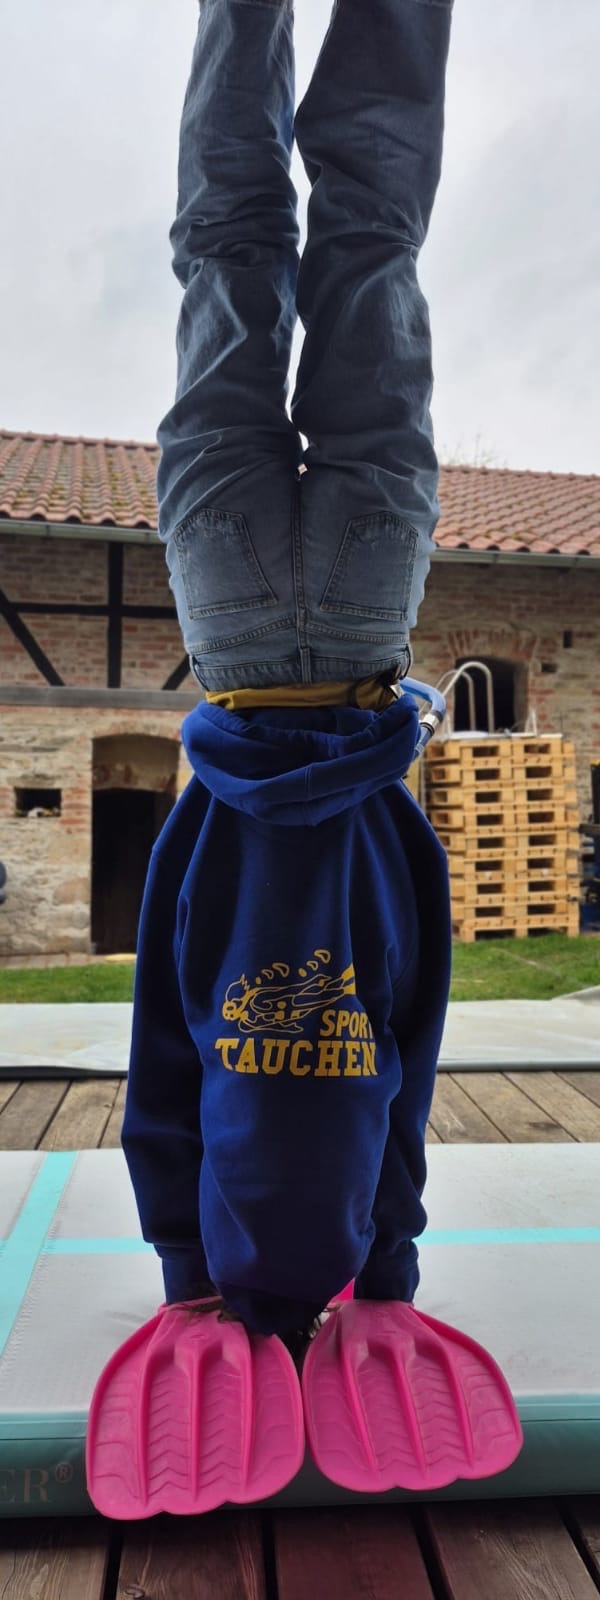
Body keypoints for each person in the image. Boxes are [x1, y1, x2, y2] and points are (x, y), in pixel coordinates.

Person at [121, 0, 454, 1362]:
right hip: (241, 627)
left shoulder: (396, 844)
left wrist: (389, 1267)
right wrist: (187, 1267)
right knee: (227, 257)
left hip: (366, 627)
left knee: (369, 249)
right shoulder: (203, 828)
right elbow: (163, 1066)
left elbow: (409, 1062)